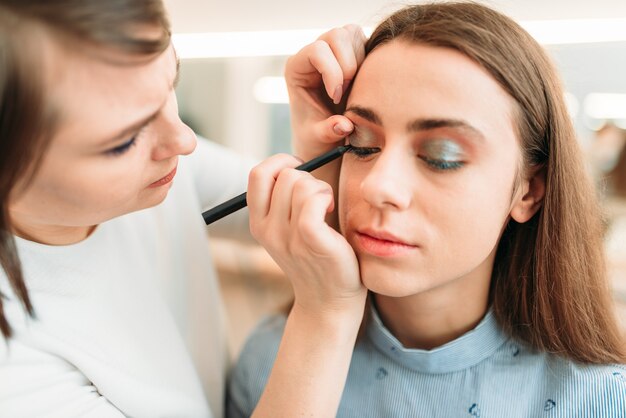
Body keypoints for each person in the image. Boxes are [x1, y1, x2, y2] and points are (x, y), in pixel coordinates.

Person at [228, 2, 626, 417]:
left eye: (442, 155)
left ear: (529, 191)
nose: (379, 185)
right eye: (361, 145)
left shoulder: (599, 399)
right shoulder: (271, 361)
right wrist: (320, 317)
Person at [0, 1, 368, 416]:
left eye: (170, 83)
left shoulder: (157, 169)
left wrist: (318, 148)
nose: (185, 141)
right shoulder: (12, 372)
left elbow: (319, 221)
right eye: (123, 142)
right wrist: (325, 314)